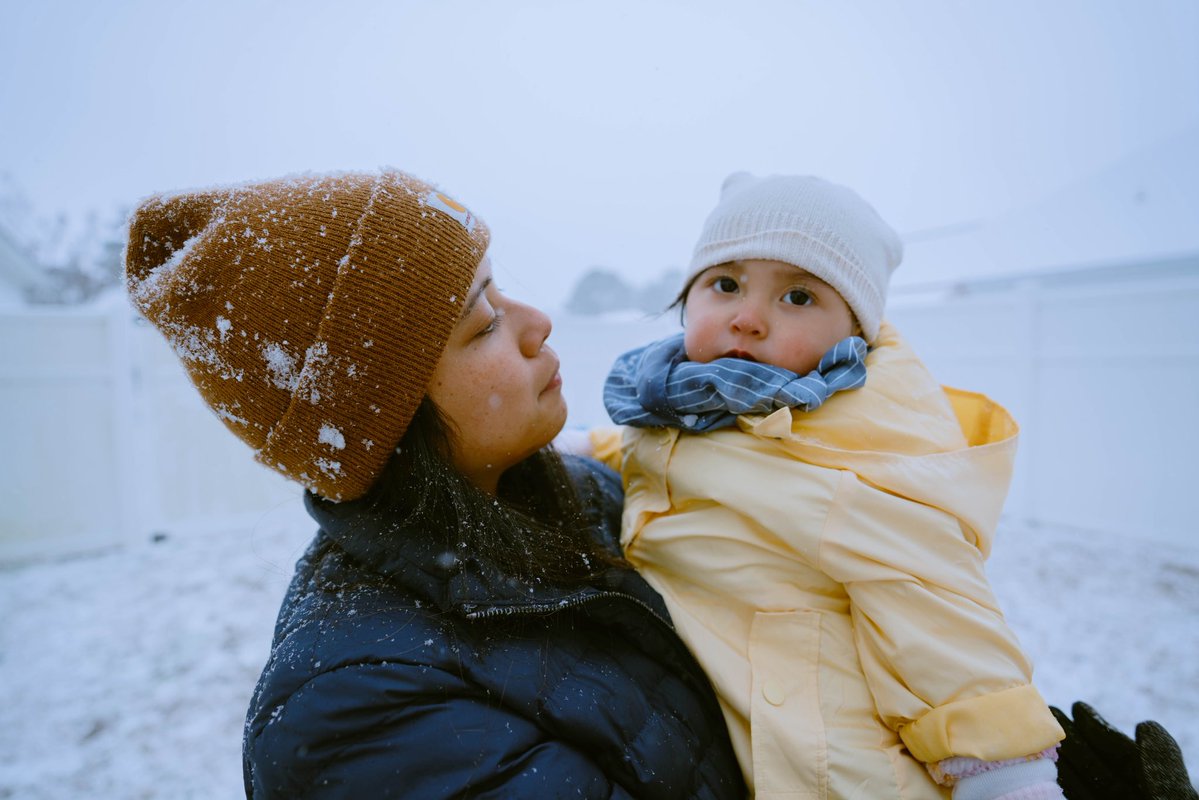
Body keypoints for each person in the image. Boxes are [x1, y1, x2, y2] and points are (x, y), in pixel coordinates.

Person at [124, 169, 746, 799]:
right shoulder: (366, 715)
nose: (538, 323)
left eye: (501, 291)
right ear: (384, 418)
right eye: (484, 324)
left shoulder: (588, 495)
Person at [595, 173, 1068, 799]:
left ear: (855, 336)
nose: (747, 319)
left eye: (797, 296)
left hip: (827, 773)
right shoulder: (688, 407)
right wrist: (581, 448)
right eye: (726, 284)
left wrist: (1007, 775)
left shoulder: (856, 460)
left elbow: (937, 608)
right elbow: (657, 452)